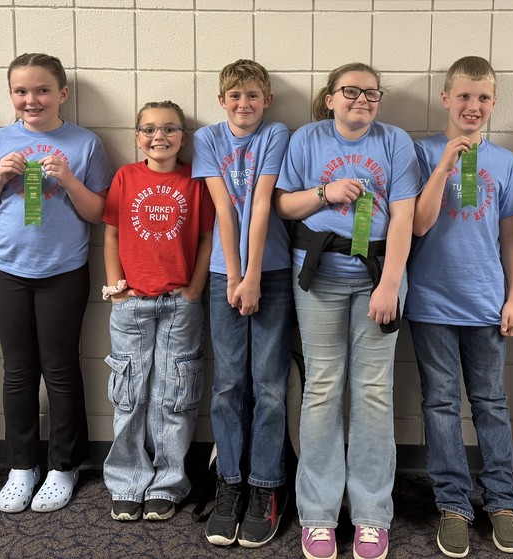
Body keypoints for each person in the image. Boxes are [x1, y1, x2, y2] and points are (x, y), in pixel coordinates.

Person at [275, 62, 420, 559]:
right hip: (318, 281)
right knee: (321, 389)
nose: (362, 100)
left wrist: (390, 285)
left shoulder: (395, 141)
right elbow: (284, 207)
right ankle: (317, 513)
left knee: (374, 394)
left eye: (371, 93)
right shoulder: (306, 139)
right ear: (330, 98)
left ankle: (371, 515)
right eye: (350, 91)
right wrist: (324, 193)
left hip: (378, 279)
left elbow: (404, 218)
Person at [0, 53, 114, 514]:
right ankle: (22, 465)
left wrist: (68, 180)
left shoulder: (85, 143)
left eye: (43, 90)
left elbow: (98, 213)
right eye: (22, 92)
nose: (32, 100)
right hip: (8, 269)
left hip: (63, 270)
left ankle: (63, 465)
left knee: (62, 369)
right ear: (11, 96)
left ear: (62, 94)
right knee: (17, 370)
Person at [407, 56, 513, 557]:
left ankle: (501, 500)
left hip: (486, 302)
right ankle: (453, 502)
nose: (473, 106)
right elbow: (417, 224)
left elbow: (511, 238)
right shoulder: (418, 152)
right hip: (432, 301)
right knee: (439, 404)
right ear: (445, 99)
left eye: (482, 98)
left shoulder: (505, 162)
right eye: (463, 96)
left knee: (491, 403)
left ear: (494, 102)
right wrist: (444, 166)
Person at [191, 59, 293, 548]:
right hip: (223, 275)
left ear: (267, 100)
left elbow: (260, 205)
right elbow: (225, 208)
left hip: (269, 272)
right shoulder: (207, 139)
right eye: (234, 96)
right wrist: (233, 274)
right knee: (229, 382)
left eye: (253, 95)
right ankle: (230, 481)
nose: (243, 104)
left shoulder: (275, 135)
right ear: (220, 100)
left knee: (270, 386)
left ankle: (266, 486)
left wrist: (252, 275)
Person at [102, 101, 214, 523]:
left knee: (174, 396)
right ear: (136, 137)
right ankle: (128, 480)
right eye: (148, 129)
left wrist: (194, 290)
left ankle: (168, 482)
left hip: (179, 304)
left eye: (169, 129)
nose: (159, 136)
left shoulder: (196, 181)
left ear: (183, 137)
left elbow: (206, 239)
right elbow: (111, 234)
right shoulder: (126, 178)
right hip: (131, 303)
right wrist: (118, 290)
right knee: (129, 394)